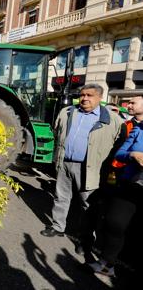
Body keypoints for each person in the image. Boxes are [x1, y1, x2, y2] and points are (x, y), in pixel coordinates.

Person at [40, 84, 123, 260]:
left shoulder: (113, 119)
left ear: (100, 97)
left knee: (88, 205)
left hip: (90, 168)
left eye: (89, 95)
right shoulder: (68, 112)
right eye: (82, 95)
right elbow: (58, 132)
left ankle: (84, 240)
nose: (84, 98)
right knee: (61, 196)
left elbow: (120, 143)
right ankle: (57, 226)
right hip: (65, 163)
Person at [88, 95, 143, 276]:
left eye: (133, 102)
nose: (128, 105)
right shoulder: (137, 129)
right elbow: (119, 154)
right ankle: (107, 264)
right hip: (132, 185)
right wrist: (133, 155)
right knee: (114, 222)